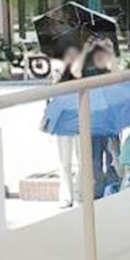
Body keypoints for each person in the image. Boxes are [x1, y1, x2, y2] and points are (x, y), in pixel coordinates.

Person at [75, 37, 121, 198]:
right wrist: (85, 50)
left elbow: (118, 77)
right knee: (93, 160)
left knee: (112, 156)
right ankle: (97, 193)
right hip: (92, 119)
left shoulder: (108, 66)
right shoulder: (86, 67)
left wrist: (110, 51)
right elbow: (75, 74)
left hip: (108, 119)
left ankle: (111, 189)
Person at [53, 45, 81, 208]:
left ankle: (77, 193)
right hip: (63, 121)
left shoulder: (79, 70)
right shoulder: (57, 69)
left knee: (81, 158)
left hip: (77, 120)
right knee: (65, 160)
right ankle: (67, 196)